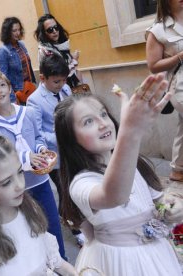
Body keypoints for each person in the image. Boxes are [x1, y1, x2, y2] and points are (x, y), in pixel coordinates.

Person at [54, 74, 181, 275]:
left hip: (157, 255)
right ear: (71, 140)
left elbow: (157, 201)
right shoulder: (80, 182)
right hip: (121, 263)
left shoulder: (133, 163)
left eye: (103, 114)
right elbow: (113, 195)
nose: (103, 123)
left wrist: (172, 207)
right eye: (88, 122)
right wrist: (130, 132)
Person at [0, 135, 77, 275]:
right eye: (6, 182)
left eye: (20, 172)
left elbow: (55, 260)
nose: (20, 185)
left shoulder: (29, 210)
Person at [0, 70, 66, 259]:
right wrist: (27, 158)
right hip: (15, 189)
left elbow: (37, 137)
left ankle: (62, 262)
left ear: (10, 88)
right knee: (29, 231)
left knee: (52, 224)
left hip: (40, 181)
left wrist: (42, 149)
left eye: (2, 85)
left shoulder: (27, 112)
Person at [26, 54, 86, 246]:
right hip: (55, 155)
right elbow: (38, 134)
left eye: (63, 80)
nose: (61, 85)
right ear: (42, 78)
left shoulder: (66, 88)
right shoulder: (34, 100)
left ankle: (78, 215)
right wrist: (63, 136)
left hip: (74, 149)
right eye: (56, 81)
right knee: (65, 190)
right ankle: (76, 228)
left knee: (79, 184)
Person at [146, 0, 183, 182]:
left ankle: (178, 170)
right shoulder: (158, 30)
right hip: (179, 86)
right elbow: (153, 65)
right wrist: (179, 56)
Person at [34, 14, 82, 88]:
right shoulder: (45, 51)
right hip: (60, 88)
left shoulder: (61, 44)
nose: (54, 31)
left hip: (72, 84)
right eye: (50, 30)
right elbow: (58, 73)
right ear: (44, 33)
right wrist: (74, 61)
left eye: (56, 27)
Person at [0, 17, 36, 104]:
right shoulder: (3, 51)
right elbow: (3, 79)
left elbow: (28, 66)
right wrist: (12, 98)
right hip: (18, 93)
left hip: (29, 87)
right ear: (7, 32)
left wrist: (33, 83)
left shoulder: (21, 45)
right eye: (14, 31)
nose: (18, 33)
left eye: (19, 30)